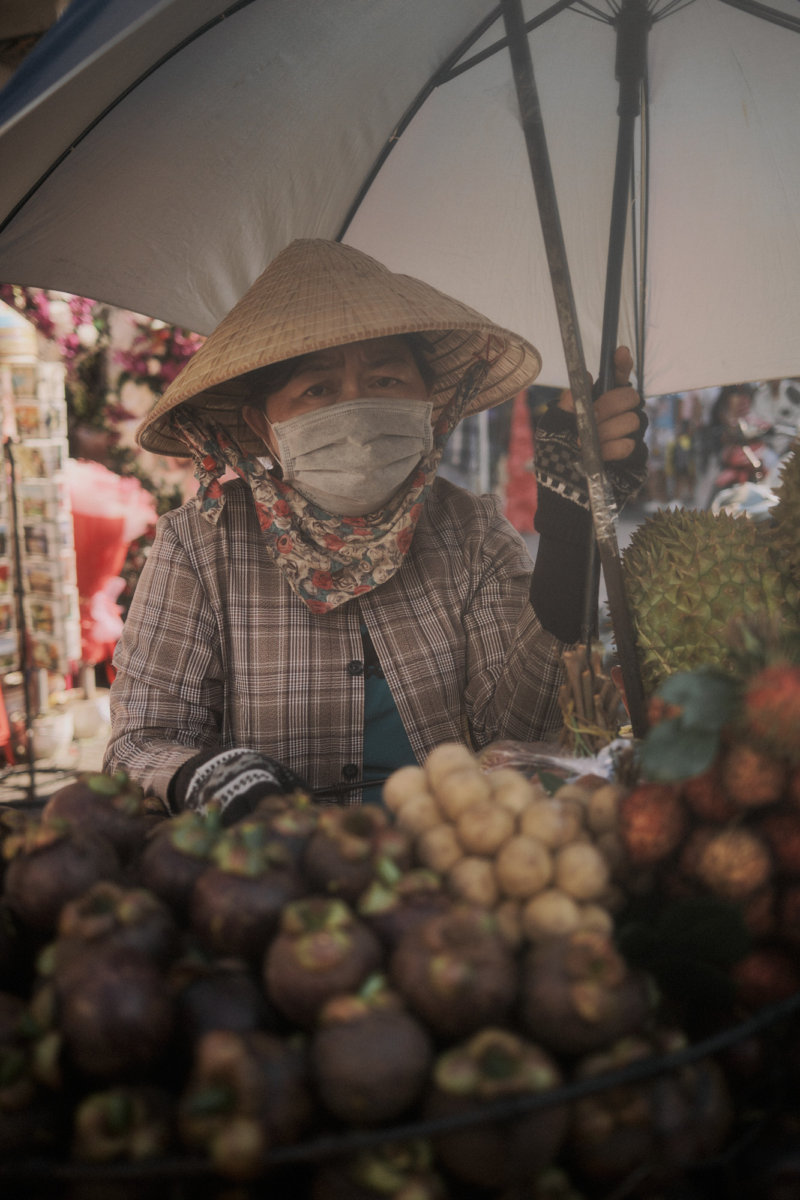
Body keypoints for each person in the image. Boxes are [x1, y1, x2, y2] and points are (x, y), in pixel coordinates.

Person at [103, 240, 646, 820]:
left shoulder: (471, 530)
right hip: (270, 870)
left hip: (452, 852)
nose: (357, 410)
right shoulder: (201, 545)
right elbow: (139, 744)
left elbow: (523, 731)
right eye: (318, 389)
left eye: (387, 379)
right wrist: (212, 779)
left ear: (429, 403)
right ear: (263, 426)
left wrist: (571, 532)